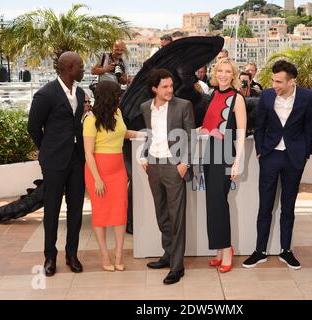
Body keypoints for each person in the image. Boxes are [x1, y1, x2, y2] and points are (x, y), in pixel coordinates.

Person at [242, 60, 312, 270]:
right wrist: (260, 151)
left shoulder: (307, 97)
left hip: (294, 158)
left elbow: (308, 127)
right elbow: (259, 126)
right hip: (270, 156)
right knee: (265, 205)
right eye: (273, 80)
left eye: (279, 81)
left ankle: (286, 250)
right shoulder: (266, 96)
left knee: (288, 206)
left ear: (292, 80)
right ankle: (260, 251)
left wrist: (304, 153)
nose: (275, 84)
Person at [28, 52, 86, 277]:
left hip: (76, 159)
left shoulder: (80, 93)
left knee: (76, 209)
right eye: (80, 66)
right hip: (53, 161)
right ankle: (49, 256)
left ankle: (72, 254)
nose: (84, 69)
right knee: (52, 209)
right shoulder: (45, 95)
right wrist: (48, 150)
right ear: (69, 68)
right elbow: (33, 128)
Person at [140, 68, 195, 285]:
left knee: (176, 216)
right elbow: (150, 134)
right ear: (154, 88)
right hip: (153, 165)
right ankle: (168, 253)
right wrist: (145, 156)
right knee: (162, 214)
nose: (170, 90)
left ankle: (177, 266)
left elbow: (191, 136)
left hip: (174, 166)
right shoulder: (146, 107)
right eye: (165, 87)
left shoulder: (183, 105)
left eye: (171, 86)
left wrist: (184, 163)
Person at [83, 81, 143, 272]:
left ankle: (118, 254)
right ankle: (104, 254)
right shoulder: (90, 120)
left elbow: (123, 134)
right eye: (117, 95)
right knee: (100, 214)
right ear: (109, 97)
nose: (120, 97)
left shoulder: (118, 114)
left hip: (118, 170)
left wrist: (145, 135)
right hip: (97, 172)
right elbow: (88, 153)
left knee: (119, 213)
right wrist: (98, 179)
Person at [200, 57, 247, 273]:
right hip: (210, 151)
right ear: (215, 73)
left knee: (219, 202)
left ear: (233, 75)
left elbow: (241, 133)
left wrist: (238, 163)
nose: (224, 75)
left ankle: (227, 250)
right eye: (220, 71)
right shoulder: (213, 95)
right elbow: (209, 126)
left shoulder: (237, 98)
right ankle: (219, 250)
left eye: (228, 71)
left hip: (227, 152)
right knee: (212, 203)